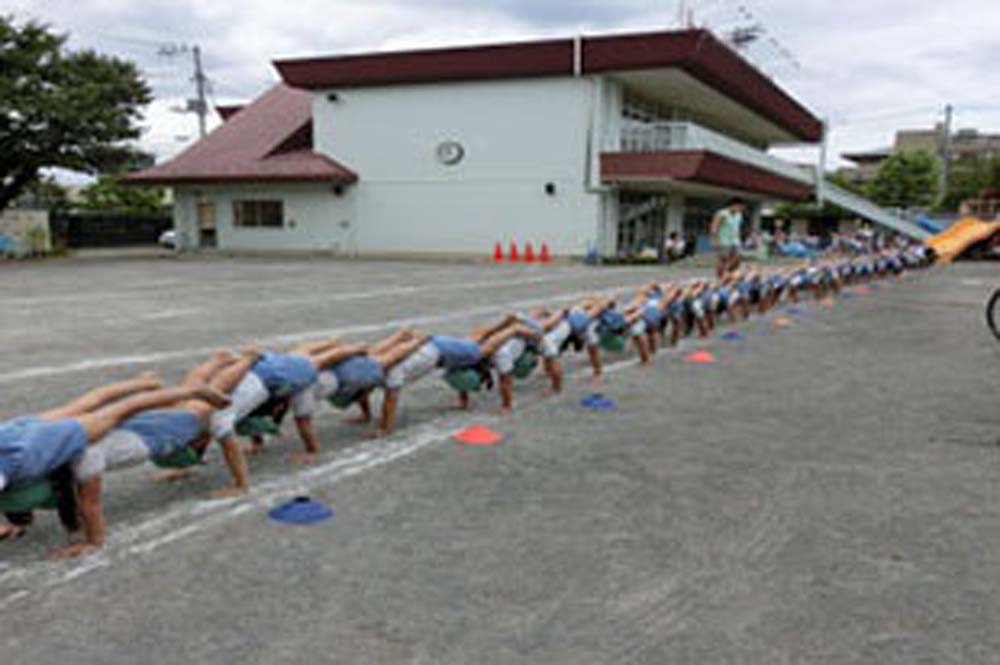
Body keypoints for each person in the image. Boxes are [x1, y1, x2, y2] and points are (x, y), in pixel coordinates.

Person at [54, 351, 260, 558]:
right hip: (141, 425)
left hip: (161, 430)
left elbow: (91, 504)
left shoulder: (85, 455)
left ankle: (245, 359)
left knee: (206, 395)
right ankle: (220, 361)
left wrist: (241, 485)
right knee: (190, 392)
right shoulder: (73, 436)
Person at [0, 373, 230, 543]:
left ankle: (194, 392)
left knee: (125, 408)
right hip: (19, 432)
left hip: (54, 437)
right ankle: (144, 382)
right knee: (92, 402)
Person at [711, 198, 746, 279]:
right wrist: (714, 241)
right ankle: (720, 277)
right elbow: (714, 227)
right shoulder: (722, 213)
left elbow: (737, 228)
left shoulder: (739, 215)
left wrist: (740, 239)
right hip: (723, 241)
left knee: (737, 258)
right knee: (723, 260)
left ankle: (731, 274)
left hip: (735, 241)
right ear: (734, 205)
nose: (741, 209)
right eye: (740, 207)